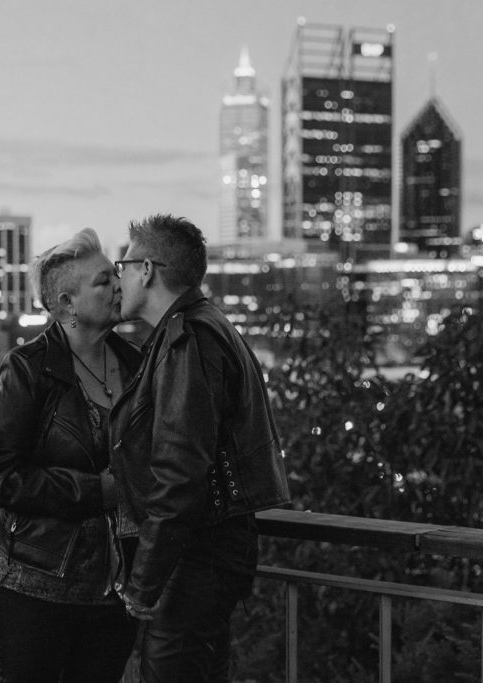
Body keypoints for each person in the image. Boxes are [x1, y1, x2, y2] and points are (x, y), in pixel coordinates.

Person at [109, 214, 291, 682]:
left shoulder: (187, 339)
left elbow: (179, 470)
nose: (118, 276)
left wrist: (142, 585)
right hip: (207, 552)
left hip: (194, 556)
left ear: (146, 270)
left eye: (122, 264)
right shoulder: (202, 327)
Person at [0, 227, 141, 683]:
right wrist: (100, 491)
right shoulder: (29, 368)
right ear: (65, 304)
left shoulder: (139, 363)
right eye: (102, 281)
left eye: (115, 275)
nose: (118, 285)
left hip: (110, 585)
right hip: (28, 577)